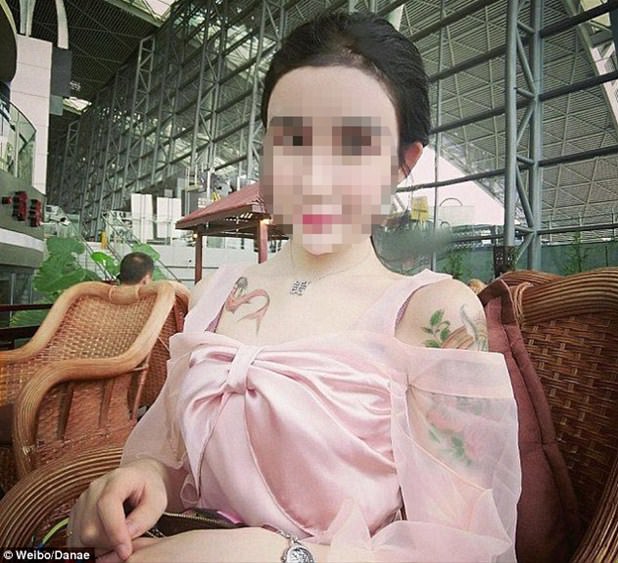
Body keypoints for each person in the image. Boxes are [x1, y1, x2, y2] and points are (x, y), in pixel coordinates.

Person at [68, 12, 520, 562]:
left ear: (404, 161)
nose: (316, 175)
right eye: (293, 140)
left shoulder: (432, 315)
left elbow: (462, 548)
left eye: (354, 144)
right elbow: (173, 456)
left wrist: (277, 556)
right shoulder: (216, 295)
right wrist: (146, 479)